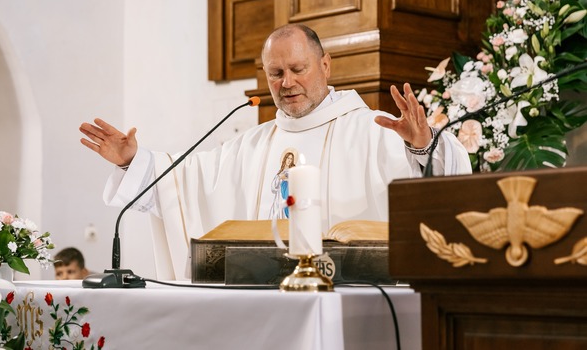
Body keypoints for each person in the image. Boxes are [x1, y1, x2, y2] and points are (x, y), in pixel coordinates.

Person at [79, 23, 471, 280]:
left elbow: (446, 183)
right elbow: (181, 185)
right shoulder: (252, 143)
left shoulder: (374, 128)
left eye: (298, 69)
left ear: (325, 65)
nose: (287, 83)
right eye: (275, 73)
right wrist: (133, 160)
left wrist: (422, 145)